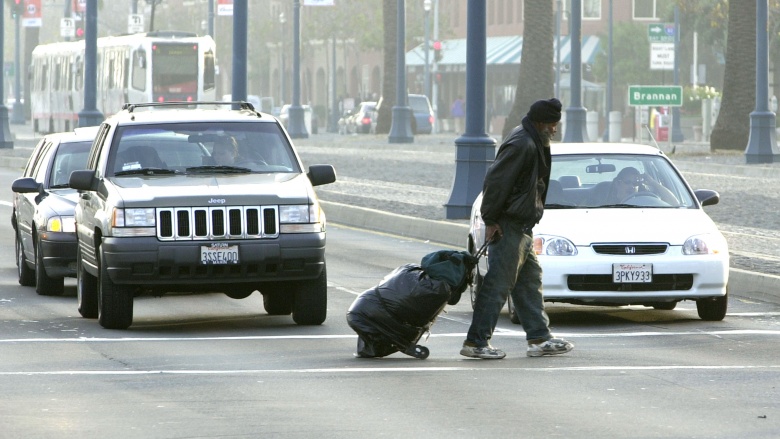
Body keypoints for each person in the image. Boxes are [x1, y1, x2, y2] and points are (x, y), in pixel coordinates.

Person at [461, 98, 574, 359]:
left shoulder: (533, 139)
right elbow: (496, 182)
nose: (555, 130)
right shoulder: (522, 143)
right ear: (541, 123)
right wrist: (490, 220)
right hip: (508, 226)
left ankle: (539, 338)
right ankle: (476, 342)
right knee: (498, 285)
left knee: (529, 283)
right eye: (553, 124)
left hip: (521, 226)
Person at [607, 166, 678, 205]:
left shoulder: (647, 202)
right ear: (617, 184)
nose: (632, 186)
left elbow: (675, 204)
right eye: (628, 182)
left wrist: (653, 183)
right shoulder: (606, 205)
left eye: (635, 183)